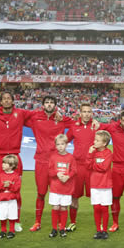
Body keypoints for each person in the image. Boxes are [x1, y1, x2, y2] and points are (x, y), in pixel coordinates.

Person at [0, 91, 37, 233]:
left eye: (9, 99)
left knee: (15, 190)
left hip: (15, 156)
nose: (6, 101)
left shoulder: (20, 113)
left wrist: (55, 114)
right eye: (4, 99)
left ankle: (16, 221)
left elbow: (37, 114)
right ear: (0, 102)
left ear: (13, 101)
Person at [26, 96, 73, 232]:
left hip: (57, 162)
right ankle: (37, 222)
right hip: (41, 160)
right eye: (47, 102)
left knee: (59, 192)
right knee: (41, 193)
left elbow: (76, 125)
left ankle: (60, 223)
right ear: (43, 105)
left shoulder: (61, 119)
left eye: (52, 102)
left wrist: (64, 141)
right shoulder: (35, 118)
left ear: (55, 105)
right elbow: (19, 119)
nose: (49, 104)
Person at [65, 103, 97, 232]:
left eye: (89, 111)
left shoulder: (96, 126)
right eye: (84, 111)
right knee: (74, 196)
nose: (87, 114)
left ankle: (99, 224)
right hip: (77, 166)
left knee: (96, 196)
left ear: (92, 114)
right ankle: (72, 222)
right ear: (80, 113)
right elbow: (64, 141)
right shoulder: (74, 127)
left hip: (92, 167)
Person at [48, 134, 77, 238]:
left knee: (64, 208)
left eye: (62, 144)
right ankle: (54, 228)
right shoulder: (53, 157)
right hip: (55, 188)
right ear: (55, 146)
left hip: (66, 188)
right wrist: (57, 173)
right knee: (55, 207)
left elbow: (74, 170)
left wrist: (67, 176)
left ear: (67, 144)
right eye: (58, 144)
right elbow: (50, 171)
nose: (60, 146)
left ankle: (62, 228)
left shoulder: (70, 157)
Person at [88, 130, 113, 240]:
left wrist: (94, 165)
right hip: (94, 184)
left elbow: (104, 167)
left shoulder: (108, 153)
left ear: (104, 143)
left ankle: (105, 230)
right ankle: (98, 230)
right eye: (95, 139)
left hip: (106, 185)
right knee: (96, 208)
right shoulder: (92, 151)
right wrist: (89, 154)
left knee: (104, 208)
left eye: (97, 140)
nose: (94, 142)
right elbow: (87, 165)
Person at [0, 154, 21, 239]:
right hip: (2, 199)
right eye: (3, 163)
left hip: (11, 200)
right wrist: (3, 186)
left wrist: (9, 186)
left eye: (5, 163)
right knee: (2, 215)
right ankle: (3, 230)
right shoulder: (0, 175)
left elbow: (17, 188)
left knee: (12, 215)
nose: (3, 165)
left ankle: (12, 230)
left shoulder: (16, 176)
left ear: (12, 165)